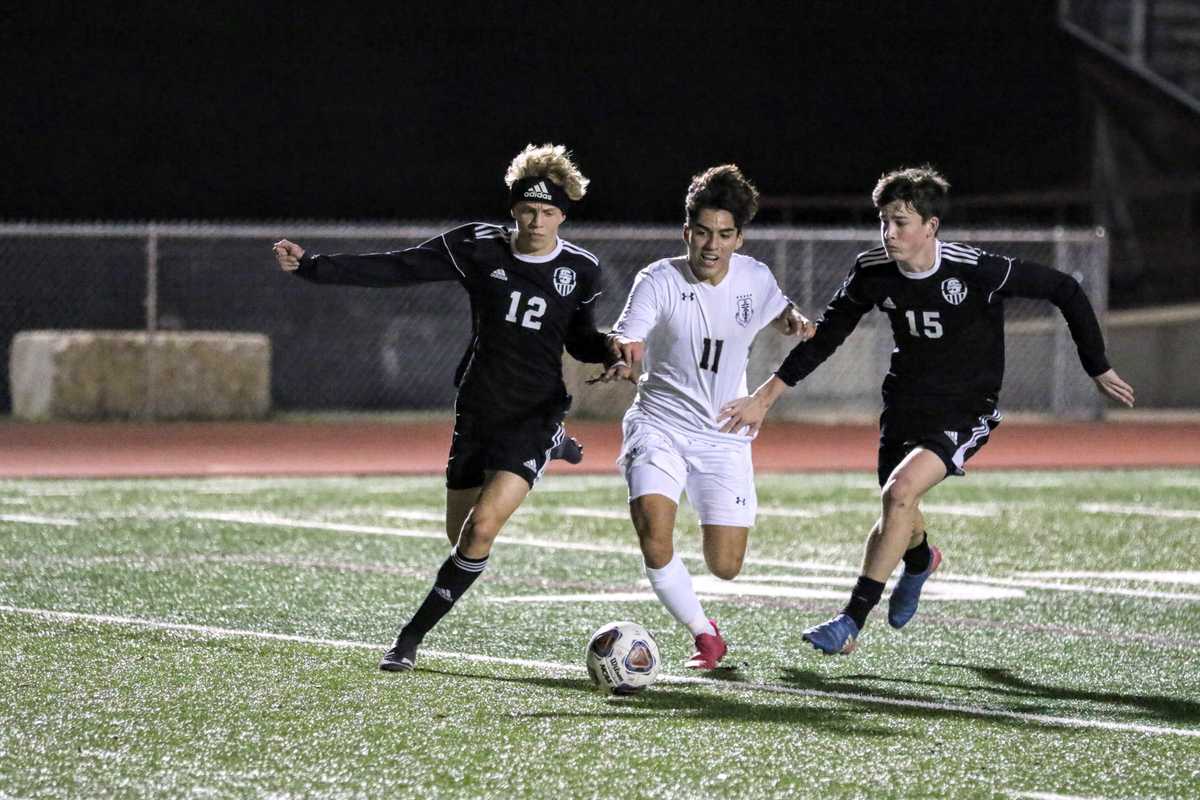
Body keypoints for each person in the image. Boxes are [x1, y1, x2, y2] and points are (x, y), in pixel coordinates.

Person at [718, 164, 1135, 656]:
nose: (889, 232)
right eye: (884, 221)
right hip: (904, 404)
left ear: (930, 227)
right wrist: (764, 398)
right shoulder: (872, 271)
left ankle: (851, 621)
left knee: (899, 493)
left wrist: (1097, 365)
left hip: (965, 408)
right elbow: (826, 338)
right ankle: (920, 562)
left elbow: (1064, 288)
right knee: (900, 509)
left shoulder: (972, 268)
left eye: (901, 222)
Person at [272, 143, 621, 671]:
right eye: (528, 209)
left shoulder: (581, 269)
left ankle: (408, 640)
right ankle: (558, 447)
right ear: (513, 208)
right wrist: (313, 268)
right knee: (457, 535)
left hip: (536, 412)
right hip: (479, 408)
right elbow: (399, 267)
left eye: (548, 212)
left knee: (481, 531)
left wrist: (612, 349)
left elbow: (580, 341)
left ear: (563, 214)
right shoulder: (476, 245)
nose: (536, 221)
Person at [602, 164, 815, 669]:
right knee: (653, 528)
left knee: (726, 566)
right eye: (702, 232)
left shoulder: (755, 277)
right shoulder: (657, 278)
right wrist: (621, 353)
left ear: (738, 237)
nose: (711, 245)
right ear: (687, 232)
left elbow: (779, 308)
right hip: (659, 425)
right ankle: (704, 635)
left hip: (724, 433)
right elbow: (629, 333)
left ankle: (709, 613)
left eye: (723, 234)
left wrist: (792, 320)